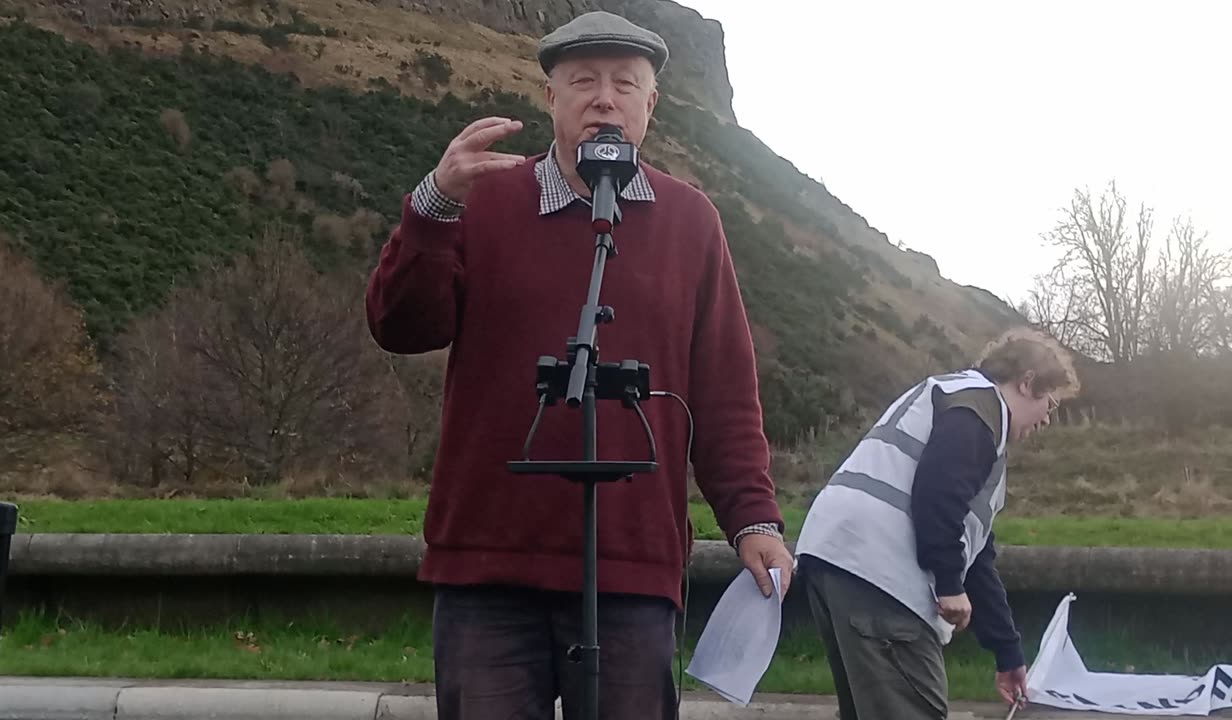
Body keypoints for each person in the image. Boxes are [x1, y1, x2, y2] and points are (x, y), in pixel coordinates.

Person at [365, 10, 794, 720]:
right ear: (551, 100)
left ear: (650, 106)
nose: (604, 99)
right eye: (583, 82)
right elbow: (399, 327)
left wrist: (754, 519)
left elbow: (723, 392)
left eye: (625, 84)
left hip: (631, 568)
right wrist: (433, 205)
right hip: (489, 566)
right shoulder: (484, 200)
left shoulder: (693, 221)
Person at [795, 327, 1079, 720]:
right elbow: (937, 492)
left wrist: (1007, 652)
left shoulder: (954, 401)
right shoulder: (980, 409)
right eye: (1051, 403)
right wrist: (948, 583)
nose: (1048, 418)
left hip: (837, 558)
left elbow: (977, 556)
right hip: (882, 575)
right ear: (1027, 383)